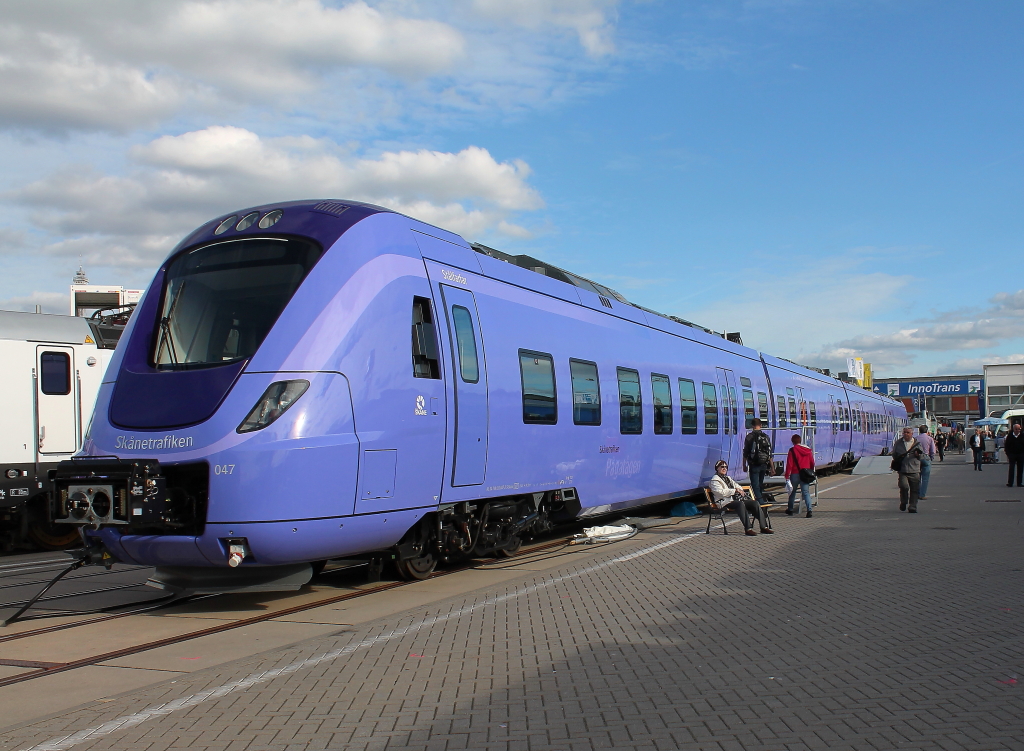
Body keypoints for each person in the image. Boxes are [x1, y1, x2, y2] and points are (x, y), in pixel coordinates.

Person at [708, 460, 773, 536]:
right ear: (717, 468)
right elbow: (720, 492)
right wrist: (734, 490)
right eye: (722, 467)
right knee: (740, 504)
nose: (724, 468)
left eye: (726, 467)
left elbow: (737, 486)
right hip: (724, 501)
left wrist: (739, 490)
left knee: (754, 503)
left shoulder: (727, 478)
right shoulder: (714, 480)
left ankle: (764, 527)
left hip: (734, 500)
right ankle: (748, 529)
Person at [891, 427, 924, 512]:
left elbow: (922, 456)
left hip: (914, 470)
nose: (906, 434)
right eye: (904, 432)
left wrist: (918, 455)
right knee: (903, 486)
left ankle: (913, 506)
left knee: (914, 489)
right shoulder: (898, 443)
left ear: (912, 434)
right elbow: (894, 454)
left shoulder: (917, 443)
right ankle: (904, 501)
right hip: (903, 469)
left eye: (908, 432)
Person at [742, 418, 774, 504]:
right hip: (764, 464)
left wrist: (744, 465)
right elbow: (769, 453)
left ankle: (760, 503)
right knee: (760, 484)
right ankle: (760, 502)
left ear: (752, 426)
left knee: (755, 485)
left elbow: (746, 452)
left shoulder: (749, 437)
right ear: (761, 425)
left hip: (754, 464)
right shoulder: (766, 437)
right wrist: (772, 468)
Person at [785, 434, 815, 518]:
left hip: (795, 474)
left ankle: (790, 510)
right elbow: (812, 462)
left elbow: (789, 464)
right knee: (806, 492)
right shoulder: (808, 450)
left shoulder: (792, 450)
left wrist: (787, 475)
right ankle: (809, 510)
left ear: (792, 441)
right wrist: (810, 471)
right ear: (800, 441)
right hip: (805, 474)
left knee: (792, 492)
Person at [916, 426, 936, 499]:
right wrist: (931, 458)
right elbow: (933, 450)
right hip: (926, 457)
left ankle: (916, 494)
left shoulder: (916, 438)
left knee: (917, 477)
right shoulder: (930, 438)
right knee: (925, 478)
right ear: (927, 431)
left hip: (917, 458)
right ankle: (922, 495)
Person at [1005, 422, 1024, 487]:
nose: (1017, 430)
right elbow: (1006, 446)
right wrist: (1008, 454)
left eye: (1019, 429)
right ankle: (1010, 483)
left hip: (1020, 455)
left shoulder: (1022, 436)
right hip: (1012, 454)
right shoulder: (1010, 436)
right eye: (1016, 429)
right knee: (1011, 469)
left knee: (1020, 469)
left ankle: (1019, 483)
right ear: (1013, 429)